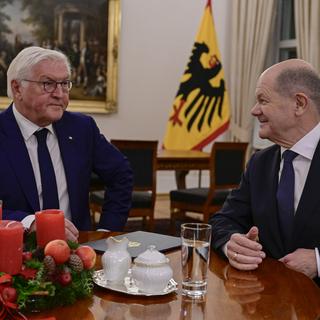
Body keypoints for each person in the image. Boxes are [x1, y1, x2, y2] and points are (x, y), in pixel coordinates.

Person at [1, 46, 133, 241]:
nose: (59, 93)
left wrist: (106, 232)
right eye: (48, 83)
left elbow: (121, 174)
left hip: (77, 255)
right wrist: (29, 222)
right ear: (17, 88)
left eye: (64, 83)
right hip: (15, 253)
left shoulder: (81, 128)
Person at [210, 59, 320, 282]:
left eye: (263, 100)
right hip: (265, 300)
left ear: (299, 104)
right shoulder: (260, 163)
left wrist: (318, 261)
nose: (254, 110)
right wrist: (231, 242)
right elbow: (223, 220)